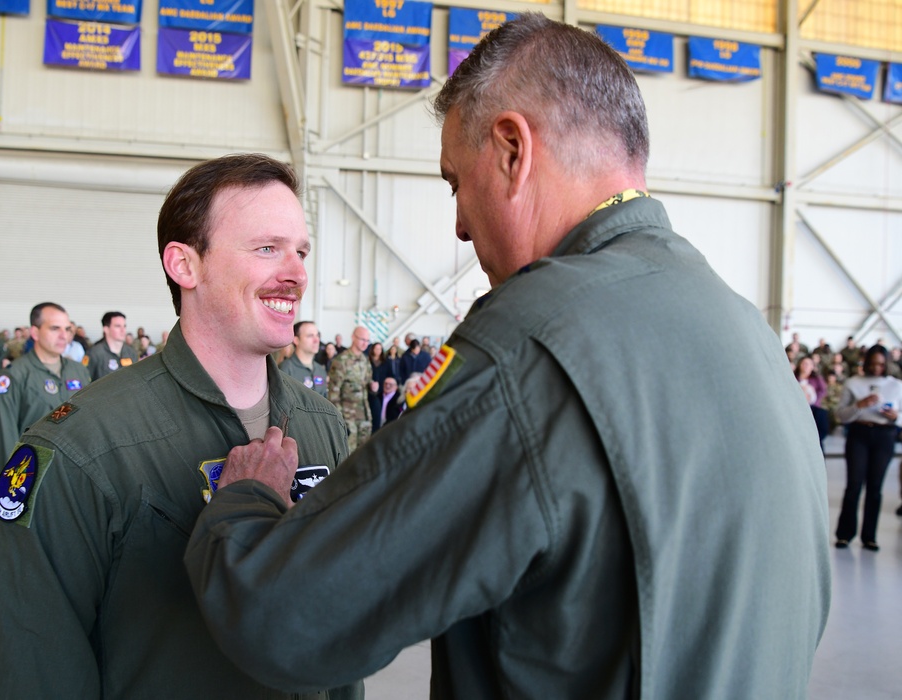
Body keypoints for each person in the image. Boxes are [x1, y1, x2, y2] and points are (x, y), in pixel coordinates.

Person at [182, 16, 830, 699]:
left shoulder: (531, 342)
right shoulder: (747, 334)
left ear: (513, 151)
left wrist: (244, 502)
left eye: (456, 181)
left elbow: (284, 618)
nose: (460, 223)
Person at [0, 154, 361, 700]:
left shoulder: (321, 426)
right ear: (185, 265)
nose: (295, 272)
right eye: (267, 248)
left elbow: (337, 635)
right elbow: (27, 670)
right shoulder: (82, 448)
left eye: (301, 251)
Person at [0, 302, 91, 470]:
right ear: (35, 332)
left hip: (75, 472)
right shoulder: (14, 375)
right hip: (34, 473)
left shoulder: (78, 371)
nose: (63, 336)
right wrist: (17, 484)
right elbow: (3, 433)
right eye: (55, 328)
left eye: (67, 329)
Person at [833, 345, 902, 551]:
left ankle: (869, 536)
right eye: (873, 364)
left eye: (881, 364)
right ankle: (844, 534)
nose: (877, 368)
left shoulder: (896, 385)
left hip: (884, 434)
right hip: (859, 434)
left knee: (875, 487)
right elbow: (840, 415)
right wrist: (859, 406)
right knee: (854, 484)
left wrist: (895, 416)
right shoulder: (853, 383)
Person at [327, 326, 377, 452]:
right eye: (362, 339)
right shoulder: (341, 360)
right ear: (353, 337)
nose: (365, 343)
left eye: (367, 341)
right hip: (347, 417)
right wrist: (339, 418)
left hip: (364, 415)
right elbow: (333, 392)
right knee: (347, 455)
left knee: (363, 454)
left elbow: (367, 382)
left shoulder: (365, 360)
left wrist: (373, 386)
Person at [84, 311, 139, 381]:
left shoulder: (131, 352)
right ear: (106, 329)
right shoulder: (94, 354)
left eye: (124, 326)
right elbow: (84, 381)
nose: (123, 330)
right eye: (118, 326)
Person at [280, 320, 328, 397]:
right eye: (310, 336)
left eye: (317, 335)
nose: (316, 340)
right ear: (296, 340)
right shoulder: (285, 369)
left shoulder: (320, 370)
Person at [795, 355, 829, 452]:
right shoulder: (793, 377)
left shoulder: (817, 379)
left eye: (808, 364)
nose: (805, 366)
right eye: (804, 363)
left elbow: (823, 392)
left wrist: (813, 399)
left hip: (815, 410)